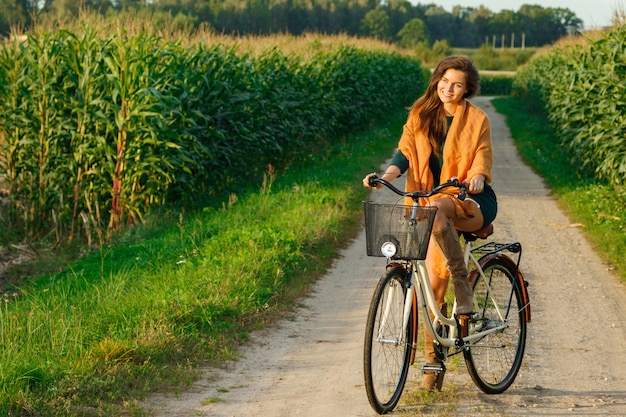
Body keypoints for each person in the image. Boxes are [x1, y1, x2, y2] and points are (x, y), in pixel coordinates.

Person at [362, 55, 497, 391]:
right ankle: (432, 362)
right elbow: (404, 152)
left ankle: (462, 285)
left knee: (437, 214)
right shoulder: (420, 113)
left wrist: (478, 176)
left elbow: (481, 154)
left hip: (470, 199)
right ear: (437, 79)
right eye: (445, 81)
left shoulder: (477, 119)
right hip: (428, 203)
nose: (449, 89)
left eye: (458, 85)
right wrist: (385, 176)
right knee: (429, 286)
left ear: (468, 89)